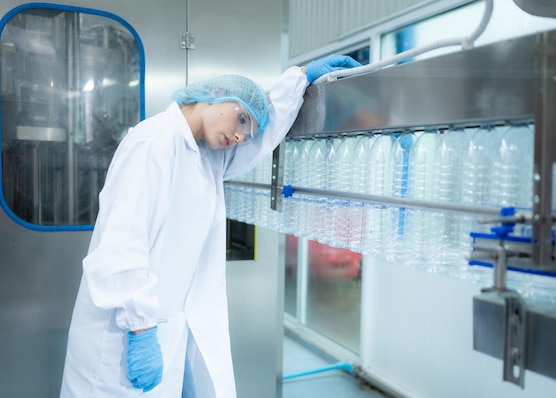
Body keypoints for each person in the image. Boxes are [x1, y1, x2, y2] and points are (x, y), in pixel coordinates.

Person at [60, 54, 361, 397]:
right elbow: (121, 247)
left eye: (246, 132)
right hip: (119, 341)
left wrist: (300, 78)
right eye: (240, 120)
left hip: (159, 329)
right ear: (213, 93)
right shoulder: (154, 144)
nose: (239, 136)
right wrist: (141, 331)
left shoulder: (205, 158)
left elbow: (262, 135)